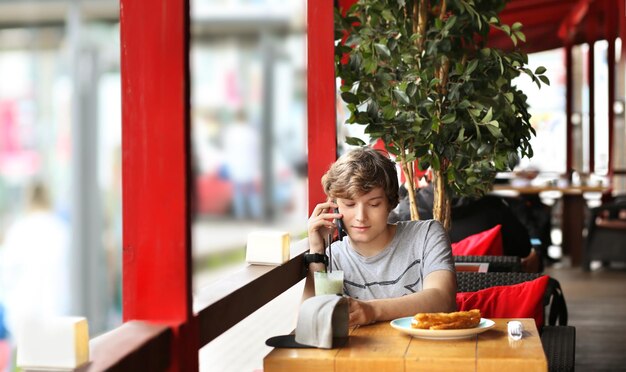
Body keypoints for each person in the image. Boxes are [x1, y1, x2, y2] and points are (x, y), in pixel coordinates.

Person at [304, 147, 457, 326]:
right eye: (349, 204)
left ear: (390, 203)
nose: (361, 217)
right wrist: (316, 251)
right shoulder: (332, 257)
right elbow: (311, 322)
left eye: (374, 204)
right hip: (361, 353)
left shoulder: (427, 235)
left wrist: (372, 310)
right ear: (335, 207)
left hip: (424, 351)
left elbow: (442, 300)